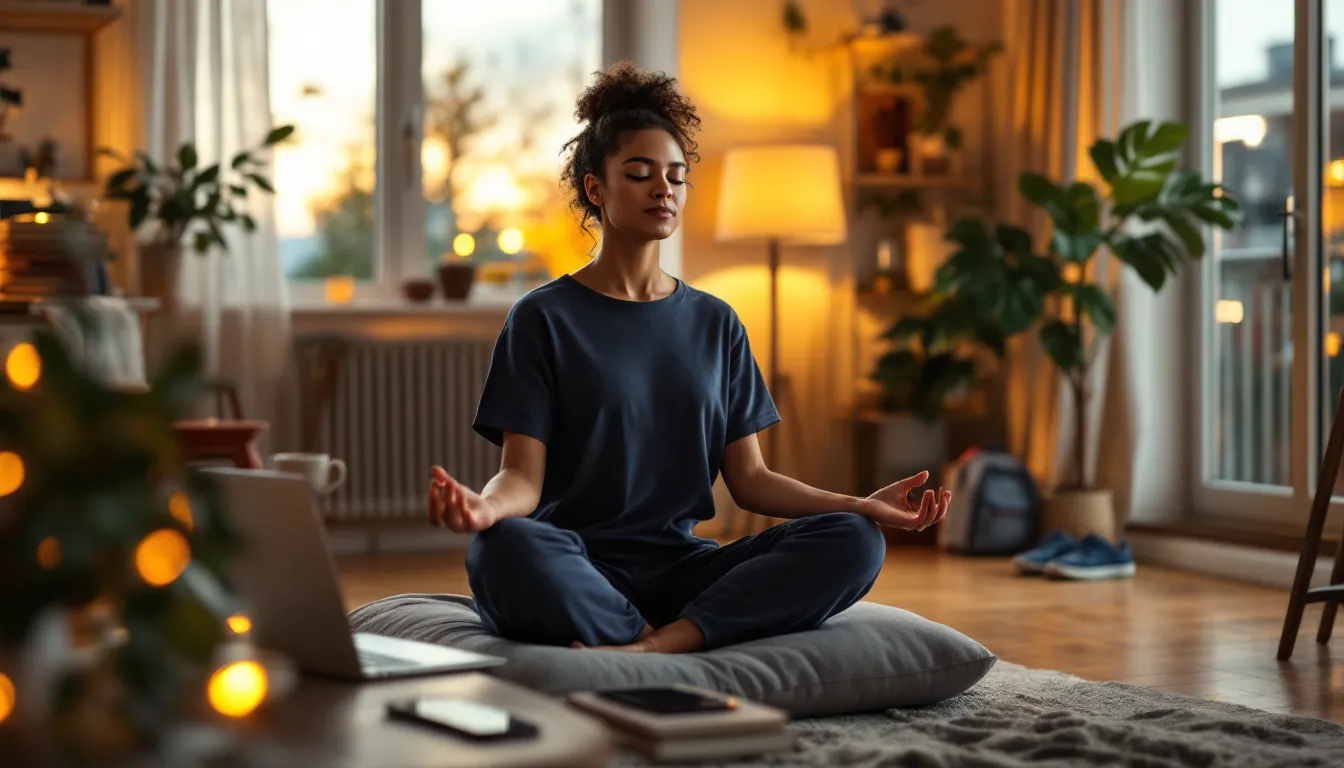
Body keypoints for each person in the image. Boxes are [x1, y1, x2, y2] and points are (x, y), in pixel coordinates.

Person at [427, 62, 951, 655]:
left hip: (685, 571)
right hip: (574, 566)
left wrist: (860, 504)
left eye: (676, 177)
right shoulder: (542, 319)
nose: (664, 190)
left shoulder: (716, 322)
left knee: (857, 540)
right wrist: (484, 508)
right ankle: (655, 634)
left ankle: (657, 644)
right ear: (596, 188)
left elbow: (751, 481)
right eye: (641, 174)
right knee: (501, 548)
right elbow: (523, 476)